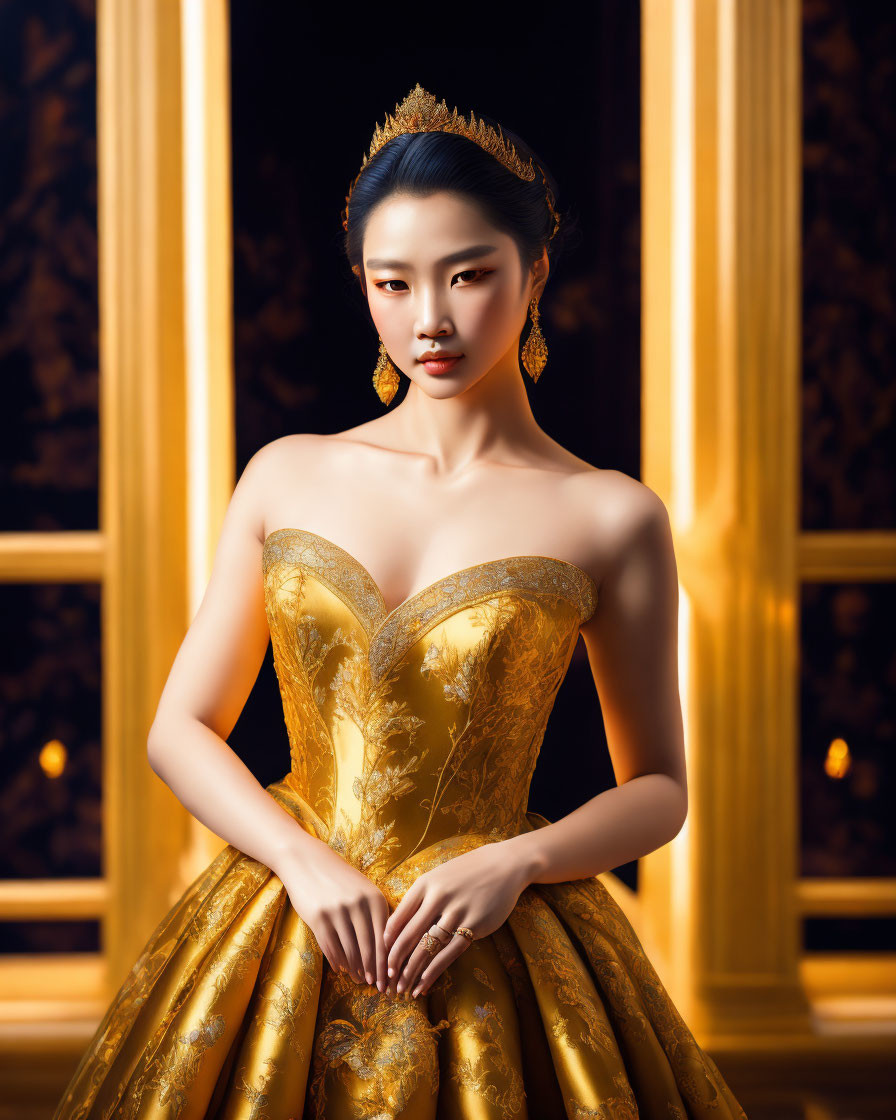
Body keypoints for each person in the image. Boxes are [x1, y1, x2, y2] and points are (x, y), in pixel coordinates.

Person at [54, 85, 748, 1119]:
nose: (428, 319)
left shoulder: (608, 513)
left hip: (485, 932)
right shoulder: (285, 475)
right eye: (392, 283)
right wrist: (296, 858)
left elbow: (656, 788)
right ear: (363, 288)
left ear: (535, 272)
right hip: (288, 918)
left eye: (468, 276)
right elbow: (178, 727)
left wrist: (520, 860)